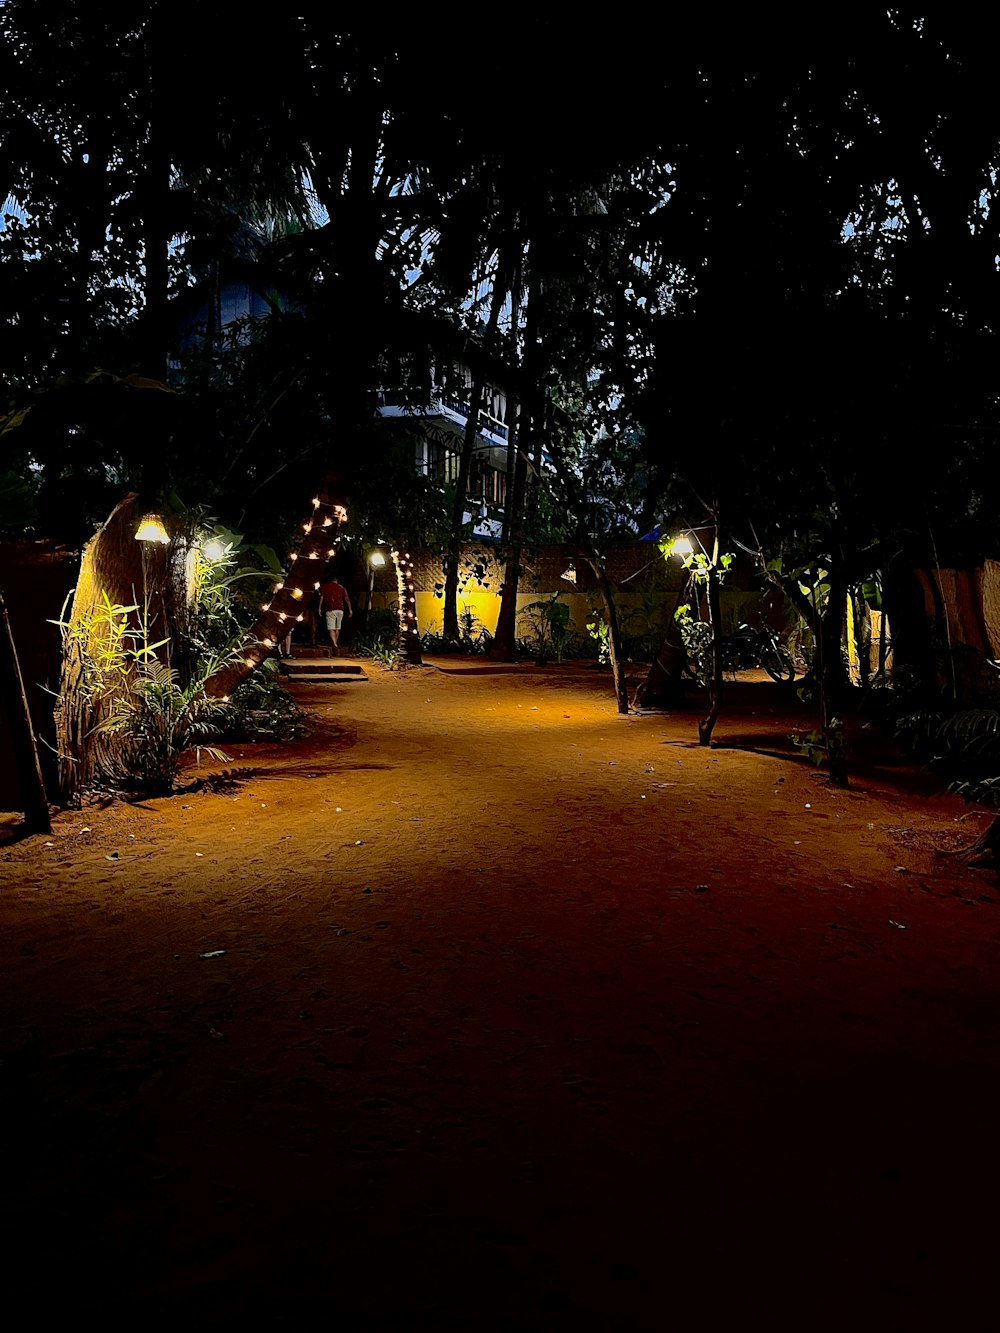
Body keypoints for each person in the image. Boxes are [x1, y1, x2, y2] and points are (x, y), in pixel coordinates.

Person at [318, 572, 352, 655]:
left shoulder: (326, 587)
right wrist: (350, 609)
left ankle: (334, 644)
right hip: (340, 610)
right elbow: (346, 599)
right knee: (337, 628)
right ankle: (335, 644)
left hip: (331, 609)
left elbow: (322, 597)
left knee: (331, 628)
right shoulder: (342, 587)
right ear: (336, 580)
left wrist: (319, 608)